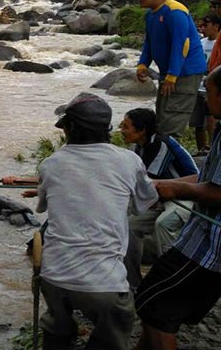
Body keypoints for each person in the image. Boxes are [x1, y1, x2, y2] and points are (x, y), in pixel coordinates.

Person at [35, 93, 159, 350]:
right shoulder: (129, 160)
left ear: (68, 129)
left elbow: (44, 206)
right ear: (108, 130)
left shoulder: (50, 164)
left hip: (53, 277)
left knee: (56, 329)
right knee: (115, 326)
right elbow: (144, 204)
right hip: (105, 285)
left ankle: (59, 332)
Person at [133, 66, 221, 350]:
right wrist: (164, 187)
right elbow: (205, 177)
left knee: (156, 304)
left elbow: (216, 192)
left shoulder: (162, 143)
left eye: (210, 93)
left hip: (211, 248)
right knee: (153, 303)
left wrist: (176, 188)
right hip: (199, 236)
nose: (205, 100)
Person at [119, 108, 198, 289]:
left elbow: (148, 182)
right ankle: (133, 285)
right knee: (130, 226)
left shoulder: (162, 144)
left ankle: (172, 283)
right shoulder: (138, 147)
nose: (121, 130)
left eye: (125, 126)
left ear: (142, 130)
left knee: (164, 223)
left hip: (188, 195)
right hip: (161, 197)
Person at [133, 0, 207, 137]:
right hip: (168, 73)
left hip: (185, 72)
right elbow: (149, 42)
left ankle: (170, 158)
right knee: (162, 116)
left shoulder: (175, 12)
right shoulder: (151, 15)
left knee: (172, 120)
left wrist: (173, 75)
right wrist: (142, 64)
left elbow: (181, 45)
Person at [191, 14, 221, 153]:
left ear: (216, 26)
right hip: (198, 86)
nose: (202, 29)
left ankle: (213, 145)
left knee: (212, 119)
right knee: (197, 121)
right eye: (201, 26)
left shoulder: (218, 43)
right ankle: (201, 148)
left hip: (213, 87)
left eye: (206, 25)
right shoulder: (201, 43)